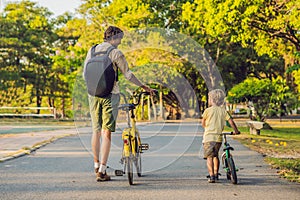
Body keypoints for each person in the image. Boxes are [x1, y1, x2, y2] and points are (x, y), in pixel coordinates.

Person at [83, 26, 155, 182]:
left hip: (93, 95)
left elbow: (85, 74)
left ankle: (95, 165)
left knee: (95, 131)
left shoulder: (92, 50)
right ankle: (102, 170)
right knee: (106, 131)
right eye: (120, 38)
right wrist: (144, 87)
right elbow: (128, 75)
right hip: (111, 94)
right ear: (114, 38)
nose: (121, 41)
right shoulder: (116, 52)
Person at [201, 89, 240, 183]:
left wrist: (207, 128)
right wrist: (236, 131)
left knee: (209, 157)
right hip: (218, 138)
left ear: (212, 100)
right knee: (215, 156)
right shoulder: (223, 111)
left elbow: (203, 123)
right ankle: (216, 173)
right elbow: (231, 122)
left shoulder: (207, 111)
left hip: (208, 138)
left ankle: (211, 176)